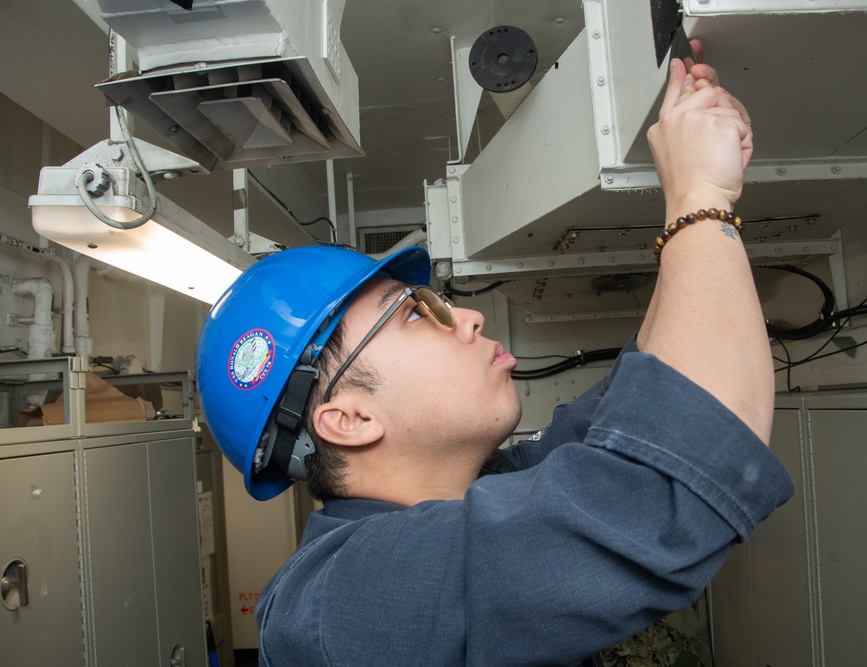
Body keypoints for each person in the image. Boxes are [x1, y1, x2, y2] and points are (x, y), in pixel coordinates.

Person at [196, 47, 794, 667]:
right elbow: (671, 482)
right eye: (412, 312)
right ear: (349, 419)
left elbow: (645, 406)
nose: (468, 315)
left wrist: (696, 174)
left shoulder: (476, 491)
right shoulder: (340, 603)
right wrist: (702, 196)